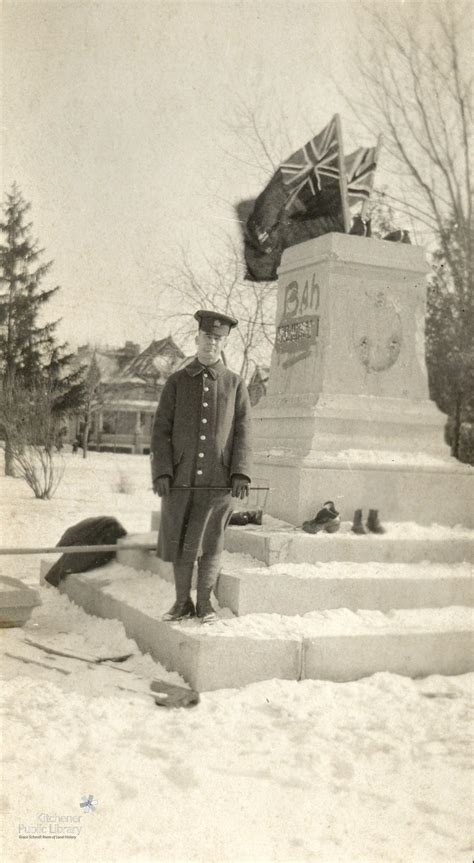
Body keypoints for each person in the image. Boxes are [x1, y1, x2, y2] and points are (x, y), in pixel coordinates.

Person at [150, 310, 253, 624]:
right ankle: (182, 603)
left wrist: (239, 472)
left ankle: (205, 605)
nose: (212, 343)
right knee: (181, 542)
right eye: (207, 337)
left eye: (218, 338)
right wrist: (163, 472)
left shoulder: (235, 384)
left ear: (224, 343)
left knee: (210, 543)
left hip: (217, 482)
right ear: (196, 339)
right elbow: (160, 430)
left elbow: (244, 430)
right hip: (180, 480)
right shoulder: (177, 382)